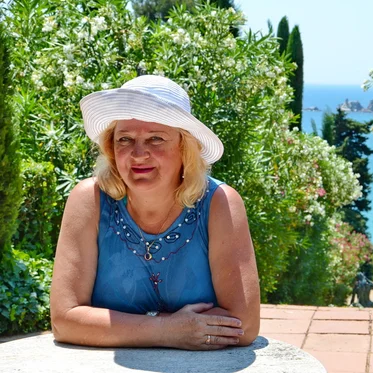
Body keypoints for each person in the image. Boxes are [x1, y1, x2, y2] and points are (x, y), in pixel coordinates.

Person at [50, 75, 260, 350]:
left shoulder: (220, 203)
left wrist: (115, 327)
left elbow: (243, 325)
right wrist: (166, 330)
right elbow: (64, 320)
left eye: (156, 139)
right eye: (124, 139)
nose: (138, 154)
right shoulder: (89, 200)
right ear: (111, 148)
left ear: (185, 148)